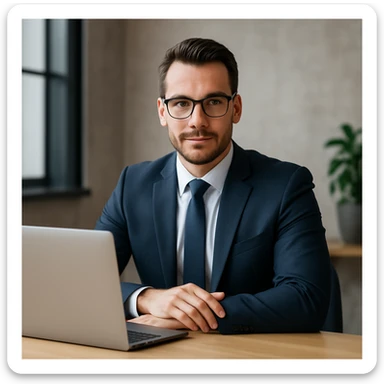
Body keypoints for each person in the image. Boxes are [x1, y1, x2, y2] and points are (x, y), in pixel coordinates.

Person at [95, 37, 332, 334]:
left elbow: (306, 298)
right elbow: (87, 281)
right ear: (162, 112)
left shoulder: (286, 186)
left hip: (251, 355)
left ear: (236, 108)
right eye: (181, 103)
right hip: (162, 357)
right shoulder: (134, 184)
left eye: (214, 102)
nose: (198, 120)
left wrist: (187, 317)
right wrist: (147, 298)